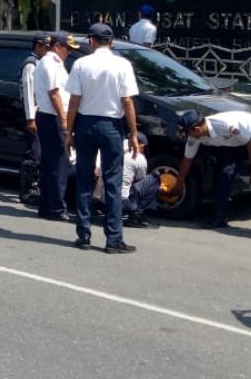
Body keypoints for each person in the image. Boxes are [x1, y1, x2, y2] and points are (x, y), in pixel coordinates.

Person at [65, 22, 141, 254]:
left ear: (91, 41)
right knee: (112, 183)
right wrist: (134, 134)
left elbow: (74, 101)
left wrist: (68, 131)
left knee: (84, 180)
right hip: (111, 126)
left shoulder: (81, 64)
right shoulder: (122, 65)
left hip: (86, 124)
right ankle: (113, 239)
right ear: (112, 42)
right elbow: (127, 101)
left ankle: (84, 234)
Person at [176, 109, 251, 236]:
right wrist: (179, 184)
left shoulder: (227, 125)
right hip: (235, 143)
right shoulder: (196, 136)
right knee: (225, 175)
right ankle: (220, 218)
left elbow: (250, 143)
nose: (188, 137)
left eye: (188, 133)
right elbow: (187, 160)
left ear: (196, 129)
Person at [36, 31, 79, 221]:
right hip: (53, 117)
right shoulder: (51, 63)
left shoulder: (52, 62)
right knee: (58, 163)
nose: (68, 52)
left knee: (51, 162)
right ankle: (55, 207)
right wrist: (64, 121)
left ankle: (47, 205)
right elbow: (54, 94)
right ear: (57, 46)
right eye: (67, 48)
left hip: (49, 116)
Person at [19, 32, 50, 207]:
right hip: (32, 115)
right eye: (45, 47)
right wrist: (31, 118)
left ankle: (35, 186)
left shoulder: (39, 63)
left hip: (39, 114)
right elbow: (29, 93)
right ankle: (26, 191)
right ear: (37, 46)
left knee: (38, 152)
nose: (47, 50)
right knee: (33, 153)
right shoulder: (31, 65)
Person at [123, 132, 161, 228]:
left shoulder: (112, 150)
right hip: (122, 205)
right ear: (141, 145)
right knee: (154, 178)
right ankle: (136, 216)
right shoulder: (138, 157)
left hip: (107, 203)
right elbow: (139, 180)